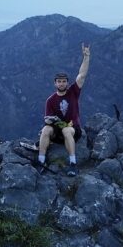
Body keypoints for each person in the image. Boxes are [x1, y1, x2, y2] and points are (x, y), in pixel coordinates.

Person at [37, 43, 91, 176]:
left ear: (67, 82)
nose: (61, 84)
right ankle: (41, 161)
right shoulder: (50, 100)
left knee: (67, 130)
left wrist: (86, 57)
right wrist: (50, 121)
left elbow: (82, 75)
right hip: (56, 131)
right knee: (45, 129)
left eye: (64, 81)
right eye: (59, 81)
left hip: (73, 130)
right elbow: (47, 120)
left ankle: (73, 164)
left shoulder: (73, 92)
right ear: (55, 83)